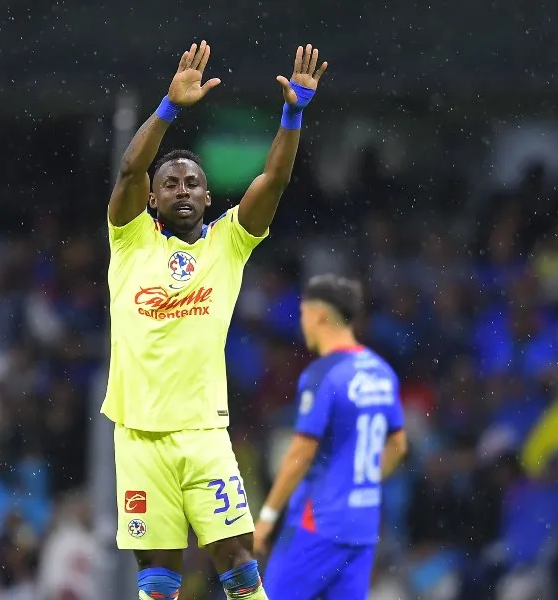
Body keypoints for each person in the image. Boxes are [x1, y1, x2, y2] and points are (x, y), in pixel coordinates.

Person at [103, 40, 328, 600]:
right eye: (171, 184)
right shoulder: (129, 241)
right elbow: (131, 166)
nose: (183, 189)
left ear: (208, 198)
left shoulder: (228, 243)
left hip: (204, 432)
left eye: (193, 183)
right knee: (157, 578)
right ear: (152, 200)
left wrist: (292, 113)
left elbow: (273, 181)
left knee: (238, 564)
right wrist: (169, 108)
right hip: (137, 435)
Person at [254, 275, 409, 600]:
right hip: (362, 524)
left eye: (302, 315)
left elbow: (301, 452)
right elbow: (398, 446)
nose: (302, 324)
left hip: (318, 522)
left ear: (319, 315)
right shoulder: (381, 371)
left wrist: (267, 518)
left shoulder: (323, 374)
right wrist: (360, 483)